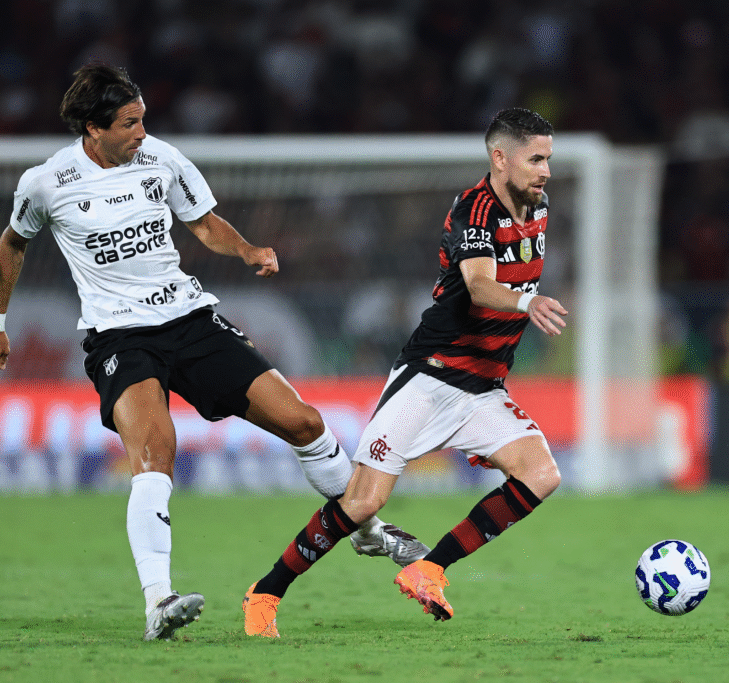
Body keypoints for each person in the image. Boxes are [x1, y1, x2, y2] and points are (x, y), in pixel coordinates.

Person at [0, 63, 428, 641]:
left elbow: (204, 223)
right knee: (154, 452)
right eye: (129, 123)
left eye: (143, 119)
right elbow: (12, 245)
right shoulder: (47, 182)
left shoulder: (161, 159)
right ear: (93, 128)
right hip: (121, 337)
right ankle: (158, 602)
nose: (142, 132)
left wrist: (247, 250)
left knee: (304, 422)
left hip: (190, 319)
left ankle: (367, 530)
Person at [243, 108, 568, 637]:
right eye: (535, 159)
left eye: (548, 159)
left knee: (542, 474)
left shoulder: (540, 207)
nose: (546, 171)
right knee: (362, 503)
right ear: (500, 158)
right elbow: (479, 285)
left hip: (484, 387)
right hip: (431, 377)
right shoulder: (474, 209)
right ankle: (265, 592)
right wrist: (527, 302)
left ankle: (428, 569)